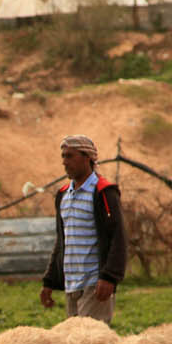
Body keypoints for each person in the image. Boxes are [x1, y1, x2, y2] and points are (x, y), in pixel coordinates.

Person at [40, 134, 128, 325]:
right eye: (63, 156)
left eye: (70, 156)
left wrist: (109, 277)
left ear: (87, 158)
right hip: (72, 284)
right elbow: (63, 241)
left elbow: (117, 237)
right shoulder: (64, 195)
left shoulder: (104, 192)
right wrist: (50, 282)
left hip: (94, 285)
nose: (64, 162)